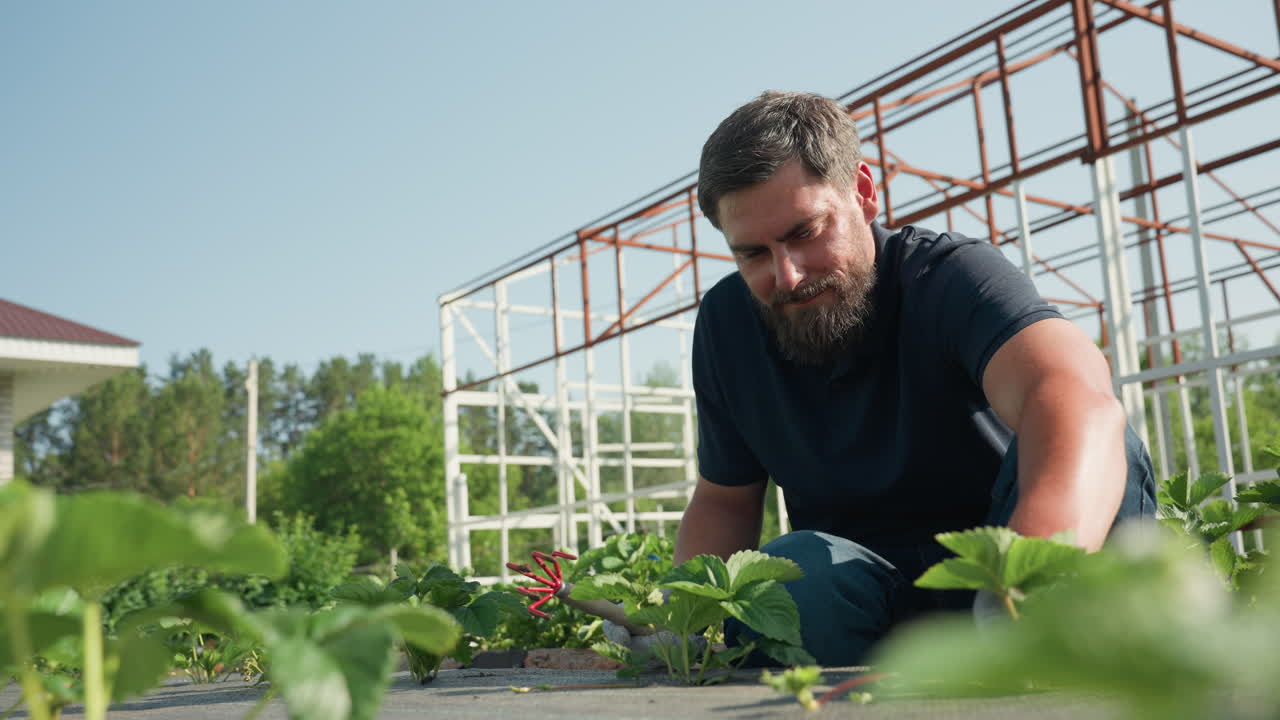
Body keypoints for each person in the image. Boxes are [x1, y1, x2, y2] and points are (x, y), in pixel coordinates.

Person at [673, 91, 1155, 666]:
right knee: (793, 583)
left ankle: (1070, 648)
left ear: (864, 193)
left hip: (1006, 554)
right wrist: (682, 628)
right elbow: (725, 501)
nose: (788, 274)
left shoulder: (950, 278)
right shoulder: (729, 325)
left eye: (805, 232)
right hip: (872, 593)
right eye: (753, 253)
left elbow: (1075, 396)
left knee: (1098, 442)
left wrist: (1022, 583)